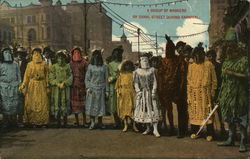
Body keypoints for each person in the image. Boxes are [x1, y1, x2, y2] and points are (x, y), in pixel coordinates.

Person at [217, 41, 249, 152]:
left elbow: (246, 75)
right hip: (227, 93)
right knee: (229, 117)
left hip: (240, 93)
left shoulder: (243, 60)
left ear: (237, 50)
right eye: (227, 51)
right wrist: (221, 95)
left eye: (231, 50)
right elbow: (224, 80)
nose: (229, 52)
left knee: (241, 117)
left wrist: (232, 73)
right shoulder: (226, 61)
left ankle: (243, 141)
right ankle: (230, 139)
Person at [157, 35, 187, 137]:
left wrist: (181, 87)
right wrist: (160, 88)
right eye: (167, 49)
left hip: (177, 88)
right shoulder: (163, 61)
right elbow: (160, 75)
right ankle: (171, 128)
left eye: (170, 48)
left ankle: (182, 130)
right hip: (166, 89)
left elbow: (183, 73)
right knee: (168, 109)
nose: (168, 50)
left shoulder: (178, 59)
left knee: (180, 109)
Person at [187, 45, 217, 141]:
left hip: (206, 93)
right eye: (195, 55)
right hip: (194, 94)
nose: (197, 57)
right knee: (195, 113)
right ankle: (195, 132)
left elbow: (214, 80)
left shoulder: (209, 65)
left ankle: (209, 133)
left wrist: (213, 92)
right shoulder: (191, 66)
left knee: (207, 113)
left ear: (202, 55)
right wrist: (189, 95)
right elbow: (188, 81)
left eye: (199, 55)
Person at [19, 48, 49, 127]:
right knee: (32, 103)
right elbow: (26, 76)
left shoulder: (44, 64)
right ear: (32, 54)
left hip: (41, 85)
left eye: (38, 53)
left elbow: (47, 76)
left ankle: (43, 121)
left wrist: (48, 85)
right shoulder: (30, 64)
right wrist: (23, 84)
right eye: (35, 53)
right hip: (32, 86)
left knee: (42, 103)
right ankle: (33, 121)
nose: (36, 54)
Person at [133, 54, 161, 137]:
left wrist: (153, 92)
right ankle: (148, 128)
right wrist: (138, 91)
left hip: (151, 93)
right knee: (145, 110)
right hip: (143, 94)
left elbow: (155, 82)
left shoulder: (152, 70)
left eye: (146, 60)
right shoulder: (137, 72)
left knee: (153, 108)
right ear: (140, 62)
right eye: (143, 60)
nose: (144, 62)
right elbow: (136, 83)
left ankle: (155, 129)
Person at [85, 50, 109, 130]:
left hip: (101, 89)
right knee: (92, 106)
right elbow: (87, 78)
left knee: (100, 106)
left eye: (98, 56)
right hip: (92, 89)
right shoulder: (90, 66)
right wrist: (88, 87)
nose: (97, 57)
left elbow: (106, 79)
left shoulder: (104, 66)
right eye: (95, 56)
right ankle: (92, 122)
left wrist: (107, 91)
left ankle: (100, 122)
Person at [49, 50, 73, 128]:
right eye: (59, 58)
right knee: (57, 102)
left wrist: (65, 83)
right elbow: (51, 77)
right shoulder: (53, 67)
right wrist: (56, 83)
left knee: (64, 101)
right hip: (56, 88)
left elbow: (70, 76)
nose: (60, 60)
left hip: (65, 88)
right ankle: (58, 121)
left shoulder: (67, 66)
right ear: (56, 59)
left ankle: (65, 121)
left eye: (62, 58)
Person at [0, 48, 21, 128]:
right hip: (3, 87)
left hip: (14, 86)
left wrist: (19, 84)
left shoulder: (15, 64)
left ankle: (14, 121)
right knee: (5, 104)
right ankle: (5, 121)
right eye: (5, 52)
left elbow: (18, 75)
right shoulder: (1, 64)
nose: (7, 54)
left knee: (14, 104)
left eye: (9, 52)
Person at [206, 49, 226, 135]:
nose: (210, 58)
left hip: (218, 91)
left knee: (220, 111)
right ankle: (211, 131)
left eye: (211, 56)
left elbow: (222, 79)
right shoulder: (206, 67)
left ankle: (222, 129)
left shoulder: (219, 65)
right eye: (209, 56)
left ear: (214, 56)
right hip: (208, 91)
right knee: (209, 111)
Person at [116, 60, 138, 132]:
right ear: (123, 66)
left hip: (131, 93)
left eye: (129, 65)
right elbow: (118, 85)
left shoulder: (133, 74)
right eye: (126, 65)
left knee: (132, 109)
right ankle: (126, 125)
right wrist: (119, 92)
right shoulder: (121, 75)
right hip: (123, 94)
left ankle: (134, 125)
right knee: (124, 109)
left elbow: (136, 85)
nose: (127, 67)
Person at [70, 47, 88, 127]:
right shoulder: (70, 63)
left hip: (82, 84)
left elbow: (87, 73)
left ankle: (84, 121)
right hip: (74, 85)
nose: (76, 54)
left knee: (83, 104)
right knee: (75, 104)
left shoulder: (85, 63)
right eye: (75, 52)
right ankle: (77, 121)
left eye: (78, 52)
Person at [107, 46, 123, 128]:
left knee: (121, 104)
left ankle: (122, 122)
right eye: (115, 54)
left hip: (121, 87)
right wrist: (113, 77)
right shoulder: (109, 65)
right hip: (112, 87)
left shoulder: (123, 64)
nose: (116, 55)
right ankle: (117, 122)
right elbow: (108, 77)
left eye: (118, 54)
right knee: (113, 105)